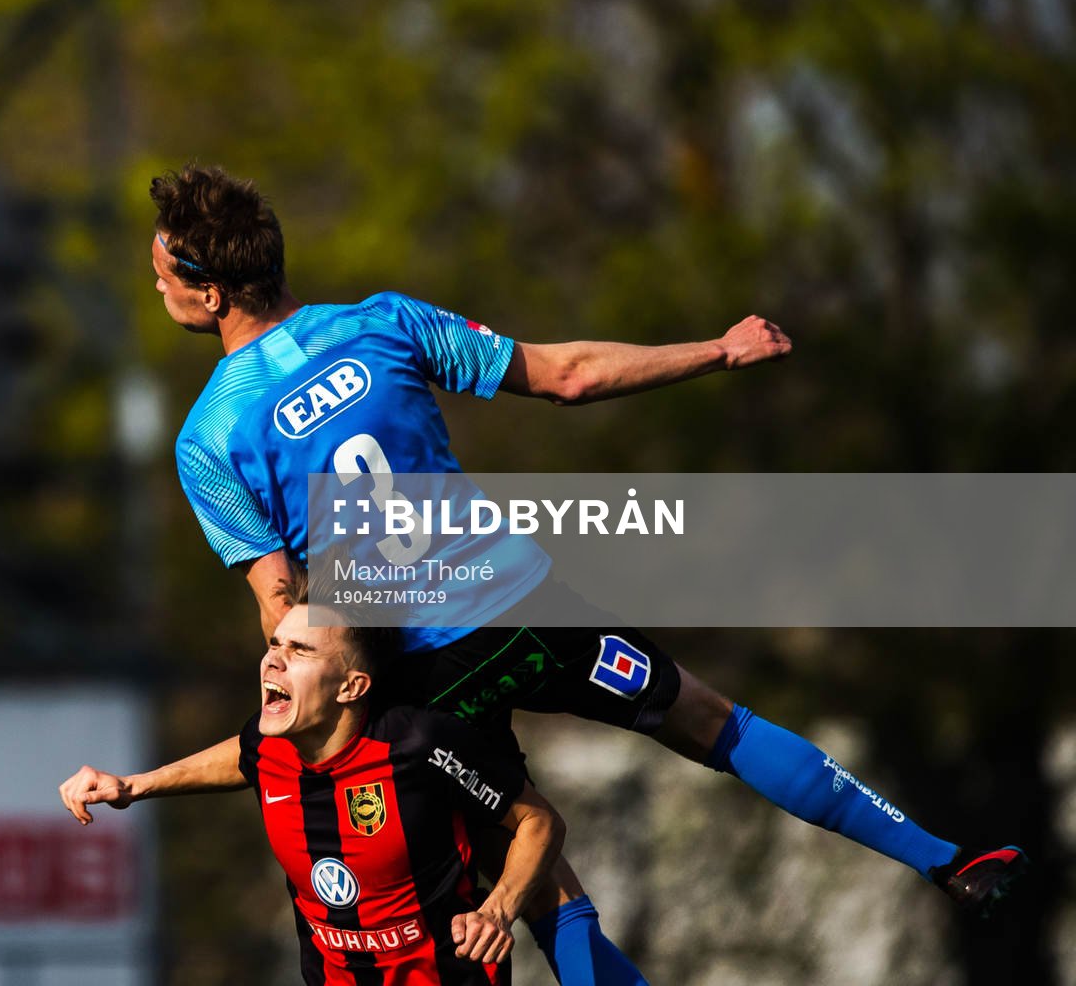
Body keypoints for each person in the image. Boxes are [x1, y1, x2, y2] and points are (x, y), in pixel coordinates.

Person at [149, 162, 1027, 914]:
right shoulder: (383, 322)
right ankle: (944, 860)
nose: (156, 286)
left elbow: (282, 606)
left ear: (211, 291)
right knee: (713, 721)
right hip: (524, 609)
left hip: (415, 674)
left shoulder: (210, 437)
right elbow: (569, 376)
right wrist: (717, 350)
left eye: (161, 273)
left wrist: (334, 717)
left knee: (532, 876)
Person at [61, 604, 621, 984]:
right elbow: (241, 754)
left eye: (301, 650)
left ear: (353, 687)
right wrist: (132, 785)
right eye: (275, 643)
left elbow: (539, 823)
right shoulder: (270, 744)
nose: (273, 658)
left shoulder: (419, 744)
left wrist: (497, 912)